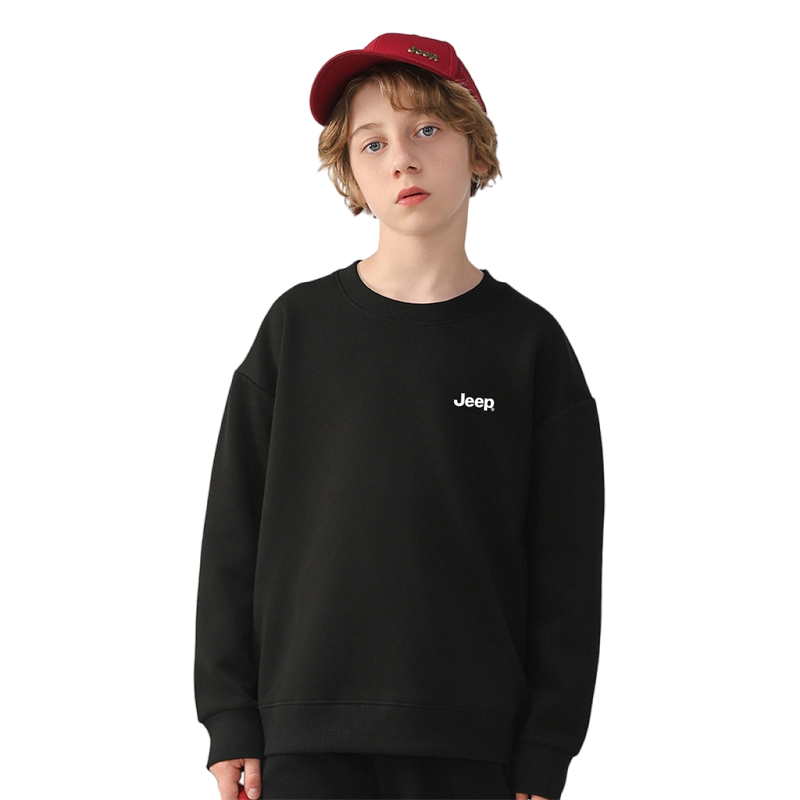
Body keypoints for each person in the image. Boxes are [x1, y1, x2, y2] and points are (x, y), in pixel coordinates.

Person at [194, 32, 605, 800]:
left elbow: (568, 569)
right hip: (303, 736)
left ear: (476, 149)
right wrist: (229, 715)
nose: (402, 160)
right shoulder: (296, 330)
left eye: (427, 129)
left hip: (473, 745)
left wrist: (547, 744)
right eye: (372, 142)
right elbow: (231, 537)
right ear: (351, 172)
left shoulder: (530, 348)